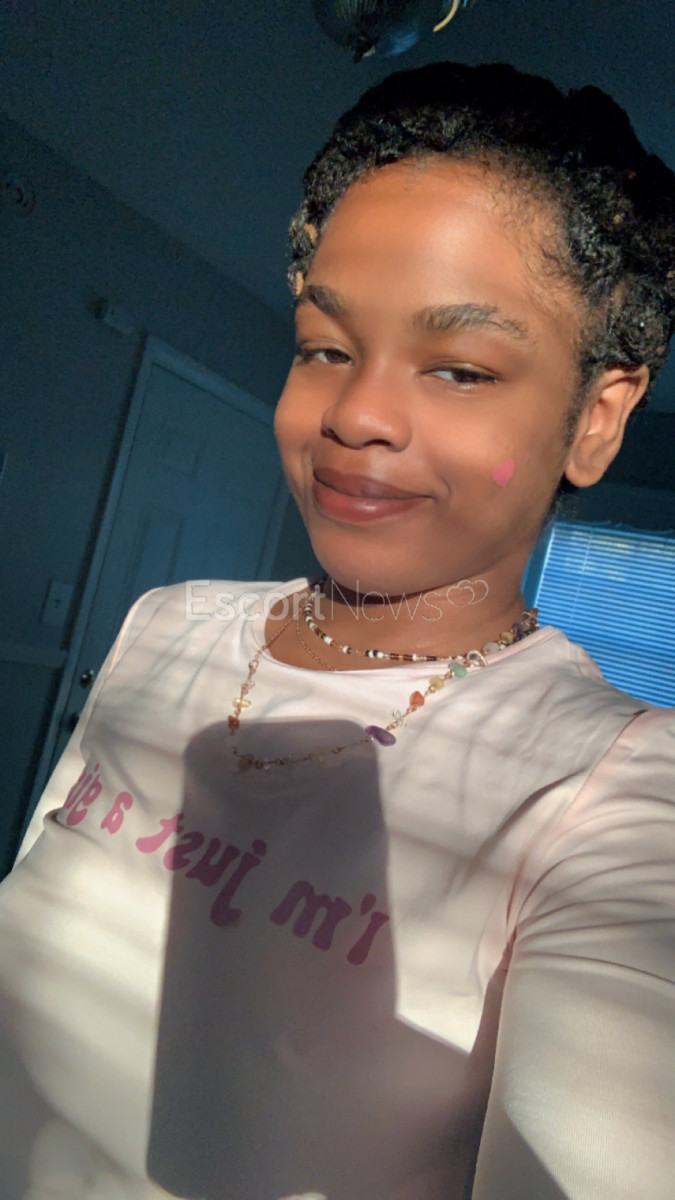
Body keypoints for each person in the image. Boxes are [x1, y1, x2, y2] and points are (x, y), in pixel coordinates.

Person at [1, 60, 674, 1200]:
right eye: (323, 347)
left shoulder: (622, 792)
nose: (355, 413)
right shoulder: (167, 623)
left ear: (596, 418)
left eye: (459, 368)